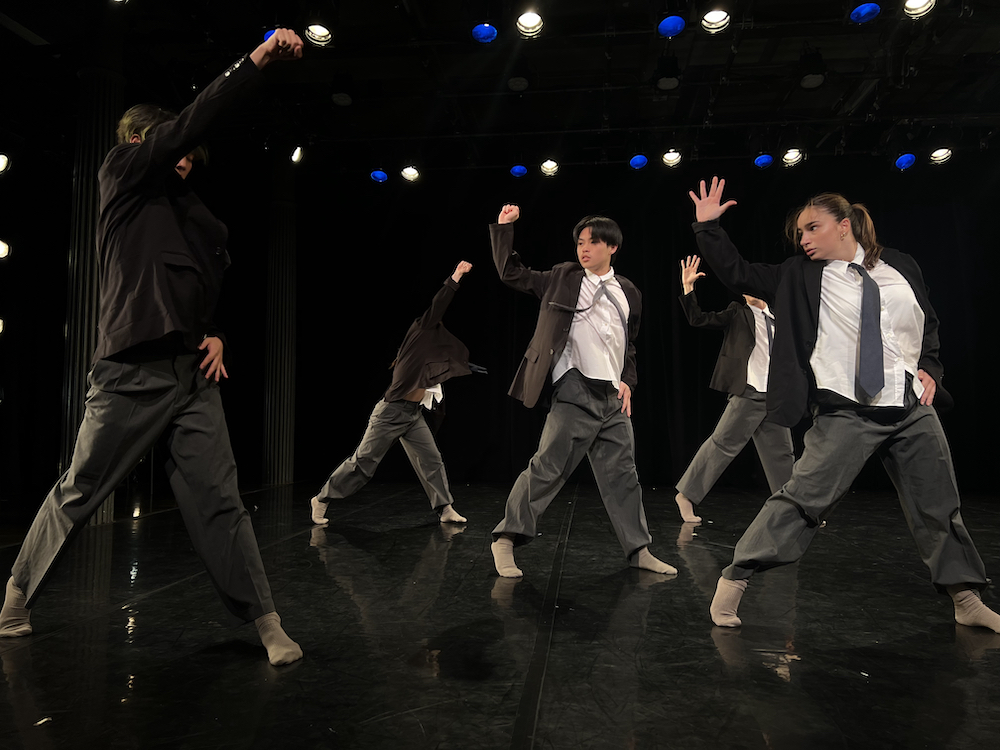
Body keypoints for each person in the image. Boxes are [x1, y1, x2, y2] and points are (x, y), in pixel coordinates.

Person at [0, 29, 306, 666]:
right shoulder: (123, 176)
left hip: (191, 374)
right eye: (172, 145)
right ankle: (16, 593)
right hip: (130, 371)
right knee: (81, 489)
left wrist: (217, 331)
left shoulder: (197, 215)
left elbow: (203, 284)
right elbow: (185, 124)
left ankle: (266, 620)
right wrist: (253, 62)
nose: (185, 155)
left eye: (191, 151)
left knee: (222, 501)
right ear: (140, 142)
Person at [688, 176, 1000, 633]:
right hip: (846, 410)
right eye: (800, 232)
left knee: (939, 505)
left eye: (813, 228)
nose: (804, 239)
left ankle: (966, 598)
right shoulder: (798, 275)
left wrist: (931, 367)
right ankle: (735, 578)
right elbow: (739, 272)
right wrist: (708, 228)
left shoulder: (900, 266)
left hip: (910, 406)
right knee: (801, 501)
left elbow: (926, 323)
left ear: (846, 225)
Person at [488, 204, 676, 578]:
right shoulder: (562, 276)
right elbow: (511, 273)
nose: (583, 248)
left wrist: (628, 381)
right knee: (548, 467)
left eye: (592, 242)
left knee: (624, 475)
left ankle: (639, 549)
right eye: (580, 242)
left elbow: (629, 344)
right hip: (573, 385)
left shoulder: (629, 292)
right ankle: (506, 538)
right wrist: (504, 228)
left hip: (611, 396)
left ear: (613, 247)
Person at [309, 262, 476, 527]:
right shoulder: (420, 331)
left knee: (431, 460)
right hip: (391, 412)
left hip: (412, 416)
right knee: (363, 463)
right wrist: (455, 277)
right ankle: (322, 499)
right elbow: (438, 305)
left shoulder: (425, 358)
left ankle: (445, 509)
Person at [674, 255, 794, 523]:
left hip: (774, 396)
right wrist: (688, 289)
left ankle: (793, 507)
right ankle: (686, 495)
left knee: (782, 454)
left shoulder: (777, 318)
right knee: (722, 444)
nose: (747, 290)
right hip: (749, 392)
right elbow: (699, 320)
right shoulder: (737, 313)